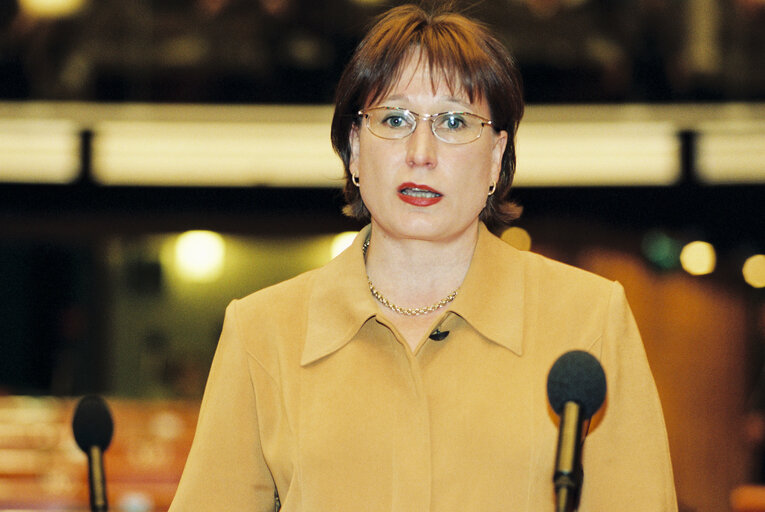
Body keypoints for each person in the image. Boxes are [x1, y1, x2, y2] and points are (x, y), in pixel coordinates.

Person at [169, 4, 677, 511]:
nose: (420, 152)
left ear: (497, 157)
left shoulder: (588, 319)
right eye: (394, 118)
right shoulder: (262, 332)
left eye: (454, 122)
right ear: (353, 149)